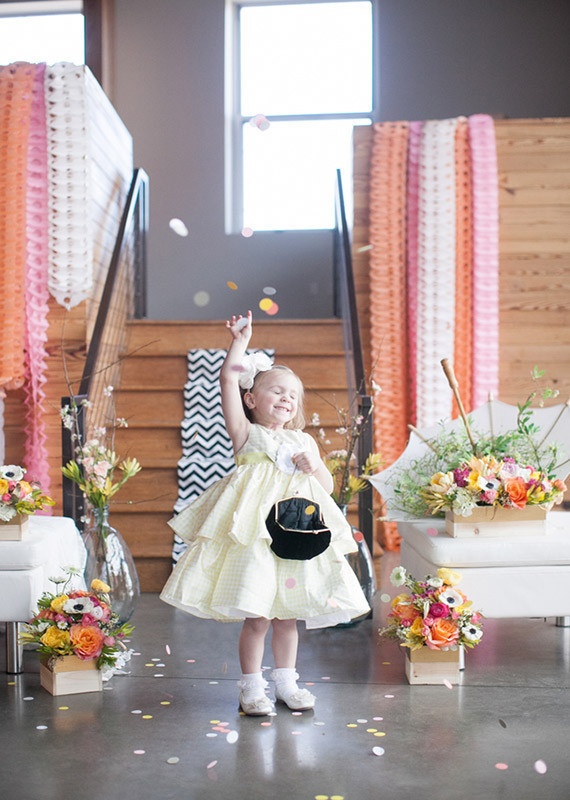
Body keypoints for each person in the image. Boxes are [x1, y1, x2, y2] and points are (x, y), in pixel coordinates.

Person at [160, 311, 370, 715]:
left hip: (294, 535)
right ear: (252, 399)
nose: (285, 399)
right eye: (276, 391)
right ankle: (251, 687)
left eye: (292, 394)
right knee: (257, 617)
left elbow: (325, 488)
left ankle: (287, 682)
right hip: (256, 535)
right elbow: (226, 380)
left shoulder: (302, 439)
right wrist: (240, 342)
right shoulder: (246, 433)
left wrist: (313, 465)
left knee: (287, 618)